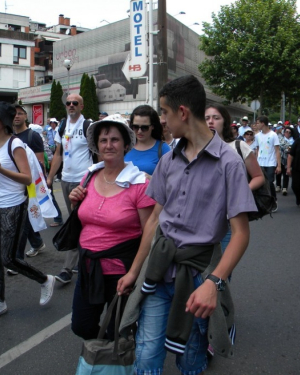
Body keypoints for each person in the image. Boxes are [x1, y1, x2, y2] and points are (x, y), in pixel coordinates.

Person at [117, 75, 257, 375]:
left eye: (164, 113)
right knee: (145, 355)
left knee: (191, 360)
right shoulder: (168, 161)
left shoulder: (229, 163)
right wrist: (134, 272)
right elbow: (155, 220)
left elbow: (241, 234)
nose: (162, 122)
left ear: (182, 112)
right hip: (158, 270)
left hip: (198, 276)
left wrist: (213, 283)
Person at [68, 114, 155, 340]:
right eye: (103, 140)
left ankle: (115, 360)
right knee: (81, 326)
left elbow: (150, 233)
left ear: (126, 144)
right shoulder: (89, 175)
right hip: (88, 267)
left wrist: (134, 273)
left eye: (115, 140)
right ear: (96, 145)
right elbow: (84, 216)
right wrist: (74, 200)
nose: (108, 145)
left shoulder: (139, 183)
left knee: (117, 331)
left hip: (120, 272)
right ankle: (105, 355)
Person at [0, 102, 55, 323]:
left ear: (4, 121)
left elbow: (27, 178)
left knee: (8, 258)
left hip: (14, 204)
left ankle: (44, 279)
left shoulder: (16, 145)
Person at [47, 94, 94, 285]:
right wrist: (50, 177)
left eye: (75, 103)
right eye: (68, 103)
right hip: (66, 179)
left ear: (82, 106)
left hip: (83, 180)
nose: (71, 105)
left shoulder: (88, 126)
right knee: (77, 220)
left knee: (75, 221)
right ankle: (85, 258)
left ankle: (67, 268)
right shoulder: (63, 125)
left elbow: (97, 153)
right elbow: (58, 153)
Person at [205, 104, 264, 253]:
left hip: (229, 220)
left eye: (216, 118)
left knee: (221, 271)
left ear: (225, 121)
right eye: (207, 118)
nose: (211, 121)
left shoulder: (239, 146)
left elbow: (258, 177)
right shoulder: (196, 149)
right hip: (202, 220)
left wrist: (241, 191)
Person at [11, 104, 47, 262]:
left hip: (30, 184)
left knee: (22, 218)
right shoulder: (10, 136)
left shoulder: (33, 136)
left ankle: (16, 258)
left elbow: (40, 163)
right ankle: (37, 242)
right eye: (14, 114)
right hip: (14, 183)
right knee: (25, 217)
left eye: (20, 113)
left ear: (26, 116)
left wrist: (44, 185)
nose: (17, 116)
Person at [124, 105, 171, 176]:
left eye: (144, 128)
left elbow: (171, 179)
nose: (139, 131)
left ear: (152, 126)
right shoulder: (125, 146)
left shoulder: (163, 149)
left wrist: (151, 180)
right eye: (135, 127)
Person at [252, 115, 281, 212]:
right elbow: (257, 149)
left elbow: (277, 151)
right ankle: (262, 202)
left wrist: (279, 165)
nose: (256, 125)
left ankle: (273, 200)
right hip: (260, 162)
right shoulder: (257, 136)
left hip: (271, 162)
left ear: (263, 123)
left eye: (258, 123)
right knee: (260, 183)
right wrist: (255, 162)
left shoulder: (273, 135)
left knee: (269, 182)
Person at [278, 127, 294, 196]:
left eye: (289, 132)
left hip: (288, 158)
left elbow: (290, 150)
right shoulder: (280, 139)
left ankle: (285, 188)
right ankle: (278, 185)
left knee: (286, 173)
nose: (287, 133)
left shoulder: (293, 141)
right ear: (284, 133)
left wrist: (287, 149)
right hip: (280, 158)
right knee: (278, 172)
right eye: (286, 132)